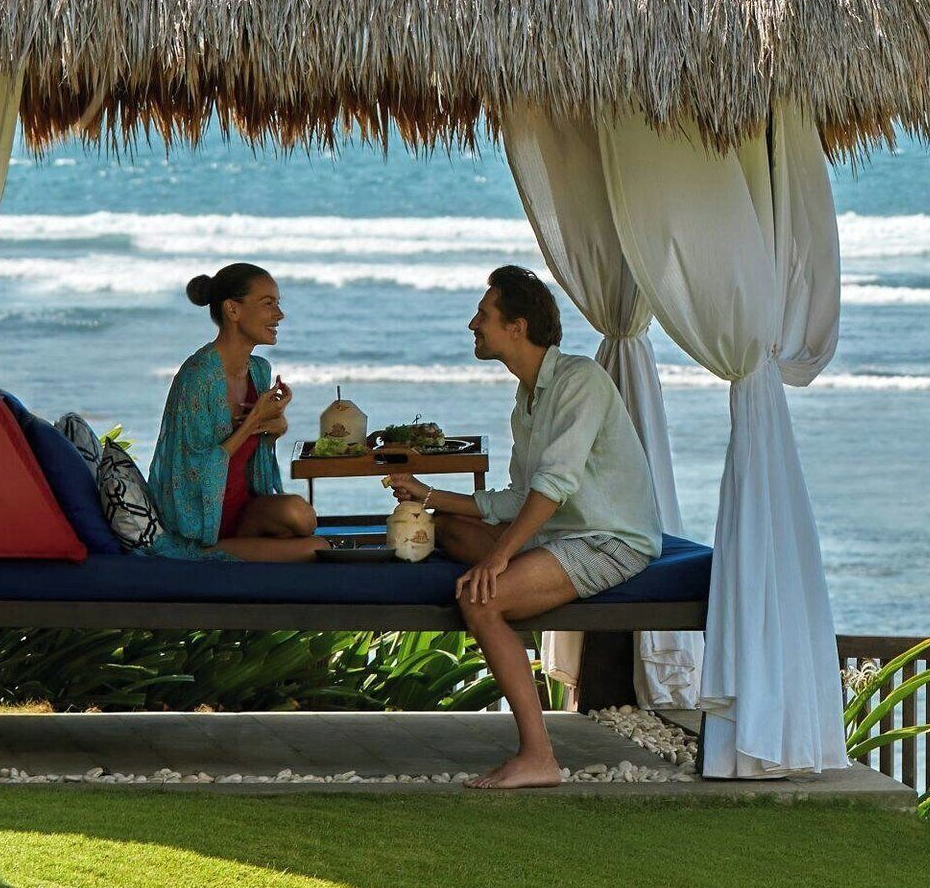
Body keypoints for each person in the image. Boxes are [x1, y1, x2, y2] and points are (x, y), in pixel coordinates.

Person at [383, 265, 663, 787]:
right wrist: (427, 493)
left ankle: (538, 756)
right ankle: (515, 583)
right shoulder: (527, 398)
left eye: (484, 315)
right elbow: (517, 496)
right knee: (447, 527)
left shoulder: (580, 380)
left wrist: (499, 558)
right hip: (560, 533)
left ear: (518, 326)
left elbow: (552, 487)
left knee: (480, 600)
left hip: (609, 541)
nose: (473, 324)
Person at [146, 262, 321, 562]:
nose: (279, 315)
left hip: (245, 511)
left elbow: (256, 454)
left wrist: (275, 425)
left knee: (302, 517)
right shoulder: (198, 376)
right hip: (203, 524)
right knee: (318, 548)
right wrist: (254, 418)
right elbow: (191, 473)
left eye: (278, 305)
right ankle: (210, 554)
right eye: (268, 304)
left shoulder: (258, 370)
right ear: (233, 310)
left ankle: (245, 549)